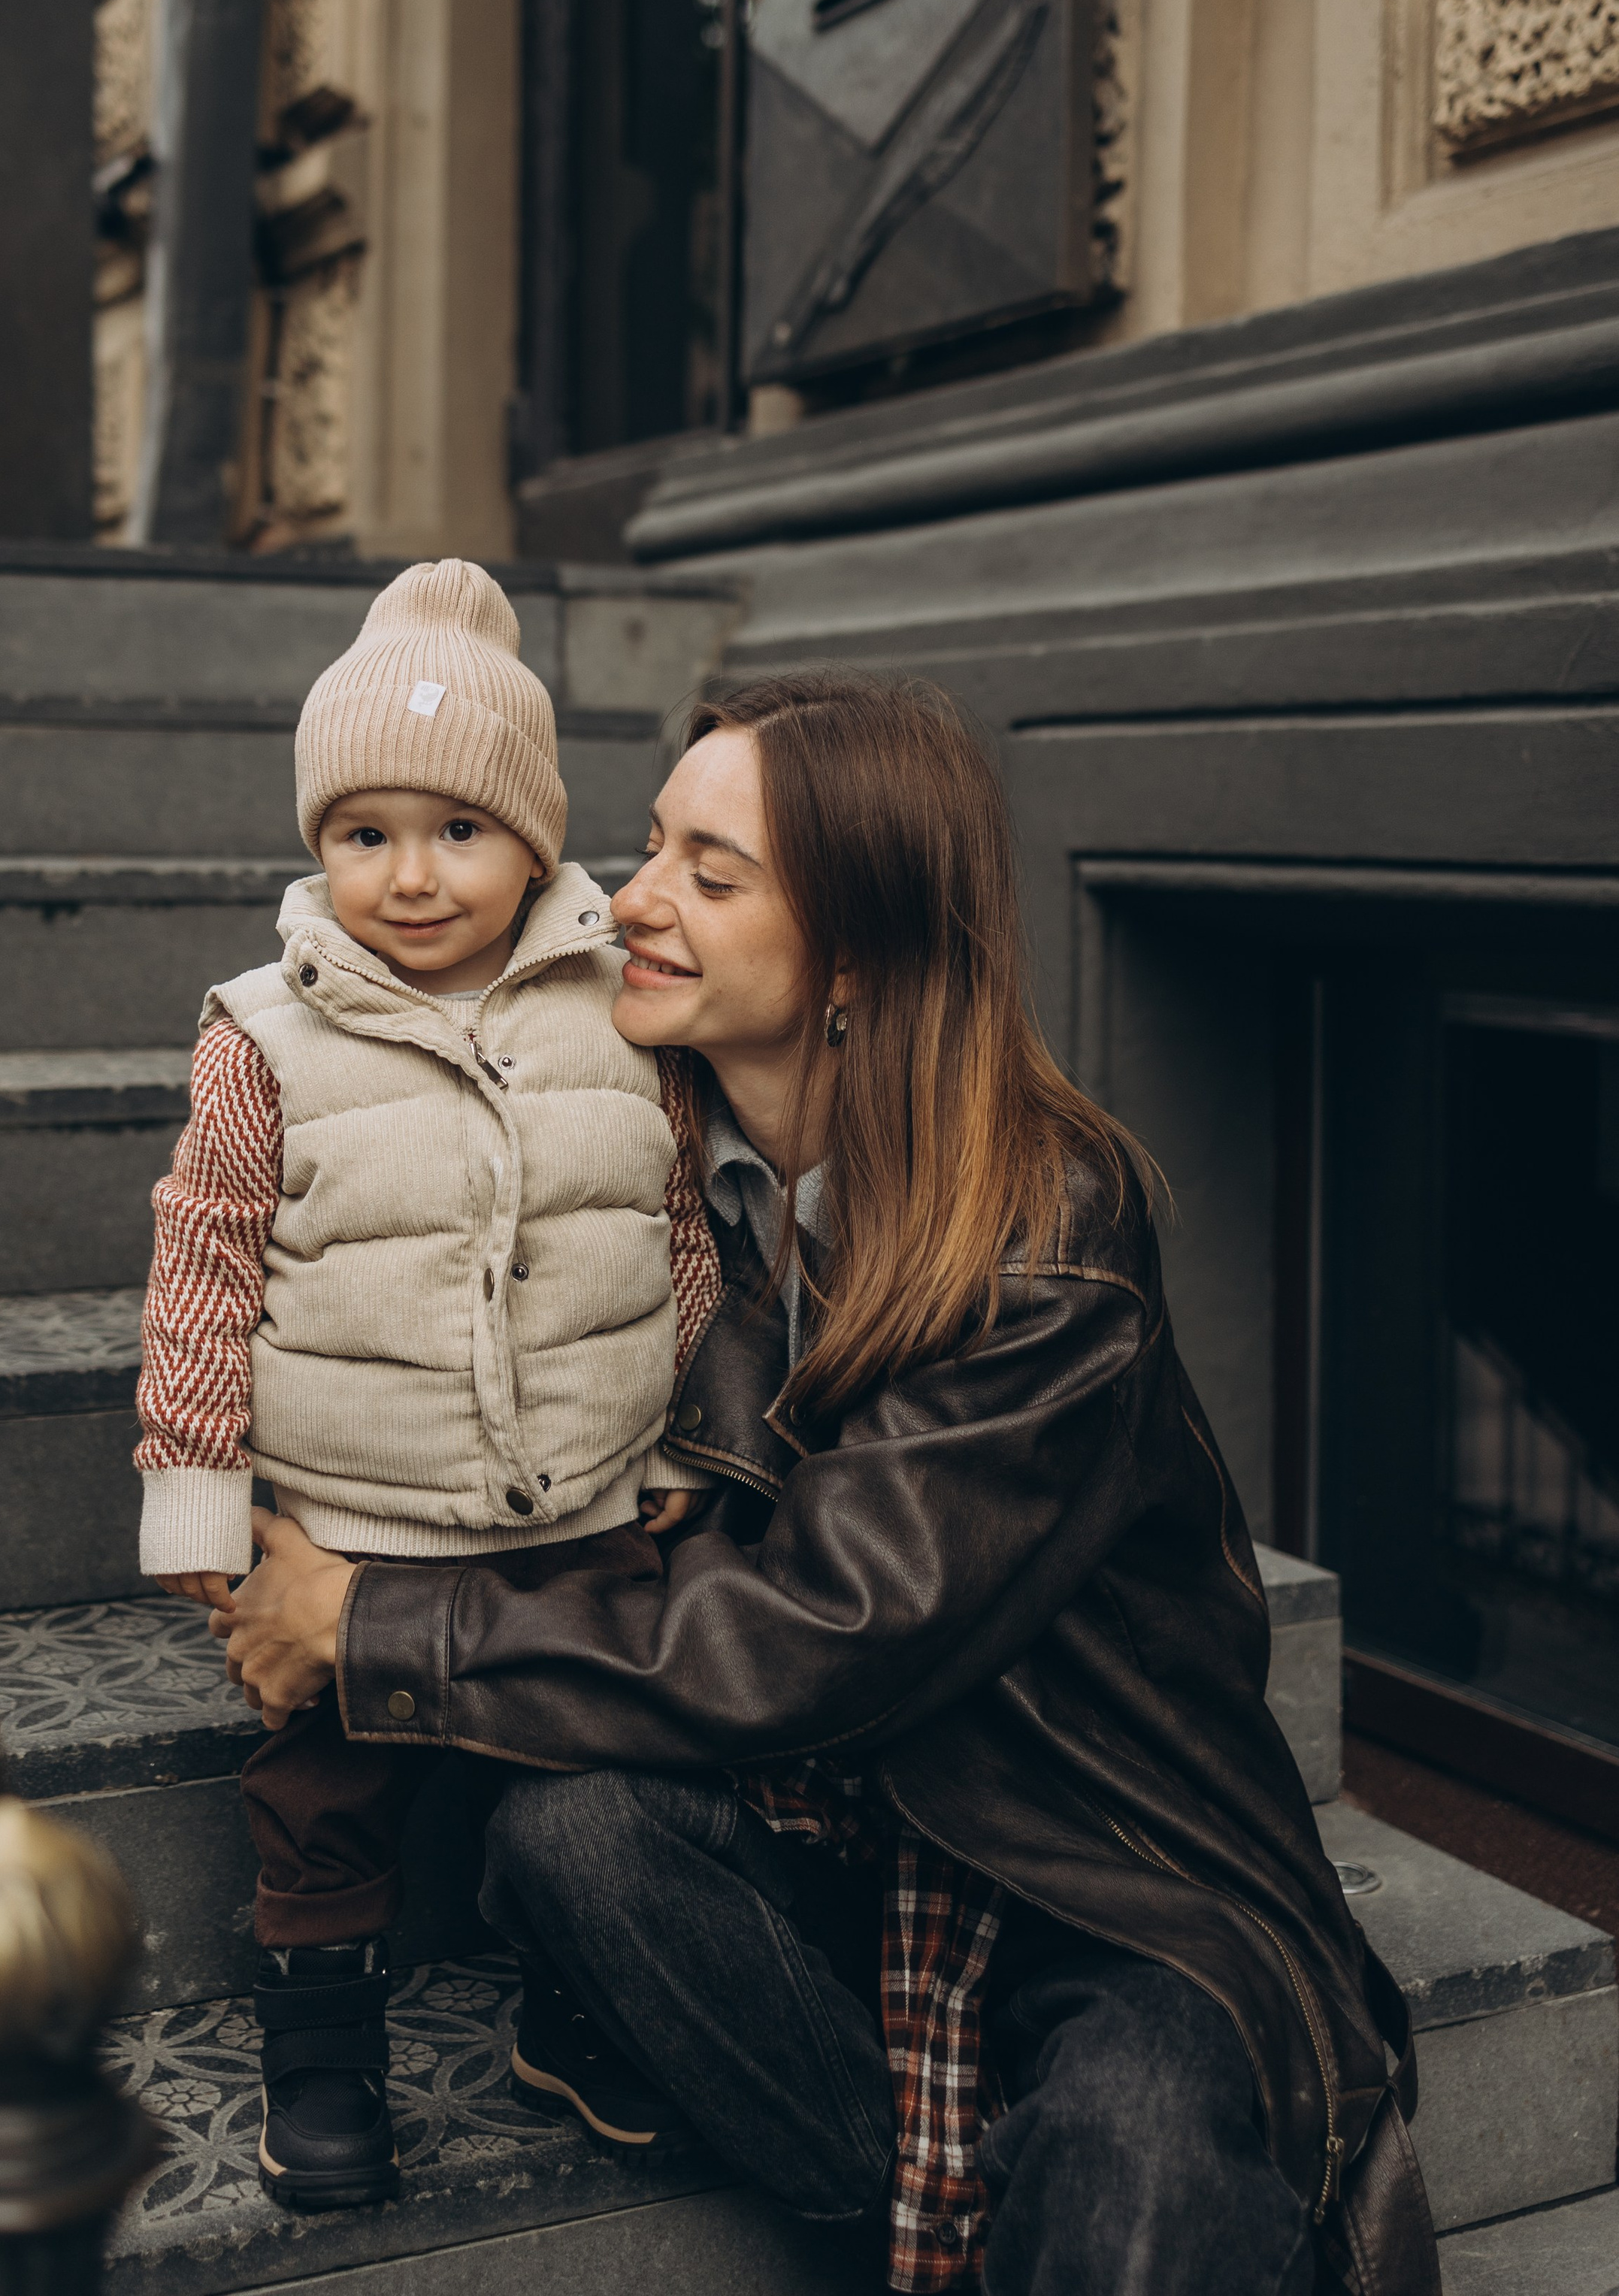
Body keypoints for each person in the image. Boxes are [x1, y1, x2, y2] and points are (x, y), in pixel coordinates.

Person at [205, 671, 1439, 2296]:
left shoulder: (1045, 1236)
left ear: (854, 958)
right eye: (650, 847)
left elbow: (821, 1629)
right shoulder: (632, 1171)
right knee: (566, 1838)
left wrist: (371, 1630)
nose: (632, 899)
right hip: (834, 1832)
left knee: (1135, 2162)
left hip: (1097, 1870)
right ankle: (908, 2193)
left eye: (711, 880)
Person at [133, 558, 715, 2212]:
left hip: (583, 1501)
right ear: (316, 846)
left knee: (590, 1780)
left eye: (457, 831)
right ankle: (323, 2053)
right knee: (323, 1799)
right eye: (362, 833)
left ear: (535, 838)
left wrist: (681, 1424)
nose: (407, 876)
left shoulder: (628, 1007)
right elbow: (205, 1259)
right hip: (353, 1512)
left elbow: (671, 1224)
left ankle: (573, 2009)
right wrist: (199, 1484)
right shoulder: (263, 1032)